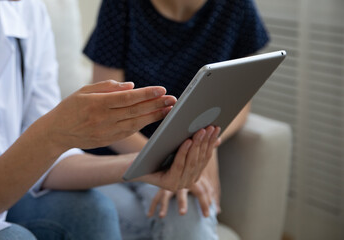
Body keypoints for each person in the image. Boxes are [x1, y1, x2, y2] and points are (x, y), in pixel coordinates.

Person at [0, 0, 221, 240]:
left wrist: (147, 165)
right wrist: (53, 134)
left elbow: (48, 164)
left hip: (10, 200)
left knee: (93, 211)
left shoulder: (28, 14)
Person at [84, 0, 270, 239]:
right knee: (102, 215)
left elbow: (242, 99)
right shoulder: (122, 6)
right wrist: (170, 162)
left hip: (182, 159)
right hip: (112, 159)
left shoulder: (236, 7)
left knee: (187, 216)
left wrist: (207, 143)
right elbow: (105, 115)